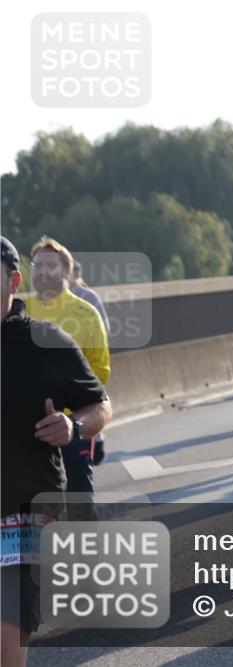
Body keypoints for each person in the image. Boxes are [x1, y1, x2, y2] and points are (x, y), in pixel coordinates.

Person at [1, 237, 112, 667]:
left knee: (7, 642)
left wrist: (73, 426)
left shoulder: (46, 340)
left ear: (13, 281)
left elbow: (100, 403)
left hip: (24, 507)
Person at [24, 237, 110, 506]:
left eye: (50, 265)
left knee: (79, 499)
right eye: (37, 265)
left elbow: (100, 368)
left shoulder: (86, 313)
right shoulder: (20, 310)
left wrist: (73, 404)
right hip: (27, 427)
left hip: (72, 424)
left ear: (66, 271)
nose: (41, 271)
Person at [69, 260, 110, 465]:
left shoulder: (89, 298)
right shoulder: (53, 299)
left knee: (93, 404)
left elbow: (104, 329)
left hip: (86, 363)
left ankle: (96, 441)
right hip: (63, 366)